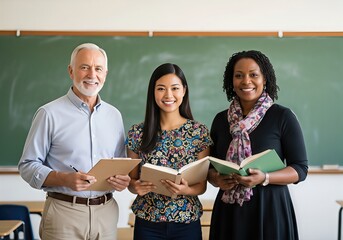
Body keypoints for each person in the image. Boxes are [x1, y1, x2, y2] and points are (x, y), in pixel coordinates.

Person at [18, 43, 130, 240]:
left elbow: (120, 164)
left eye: (98, 69)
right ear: (71, 71)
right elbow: (27, 166)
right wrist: (64, 179)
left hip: (106, 213)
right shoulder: (49, 113)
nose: (92, 75)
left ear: (106, 73)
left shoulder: (114, 115)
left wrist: (122, 180)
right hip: (64, 213)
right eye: (84, 67)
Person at [207, 50, 308, 240]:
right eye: (239, 76)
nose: (246, 81)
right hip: (229, 212)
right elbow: (209, 168)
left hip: (270, 210)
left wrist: (265, 177)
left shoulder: (282, 117)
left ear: (265, 79)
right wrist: (216, 179)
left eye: (253, 74)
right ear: (231, 81)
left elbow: (300, 169)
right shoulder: (221, 120)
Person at [126, 63, 212, 240]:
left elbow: (201, 186)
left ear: (184, 91)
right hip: (147, 223)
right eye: (161, 89)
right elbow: (131, 182)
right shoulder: (137, 133)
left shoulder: (198, 132)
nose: (168, 95)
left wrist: (185, 190)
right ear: (153, 92)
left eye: (174, 88)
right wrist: (136, 187)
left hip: (186, 222)